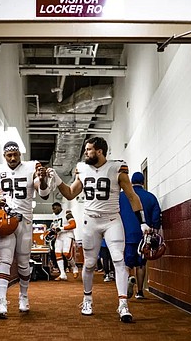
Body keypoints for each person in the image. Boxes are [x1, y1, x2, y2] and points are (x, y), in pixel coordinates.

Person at [49, 136, 147, 323]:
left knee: (119, 260)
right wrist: (57, 180)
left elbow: (132, 196)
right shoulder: (83, 169)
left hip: (112, 220)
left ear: (100, 151)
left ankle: (123, 304)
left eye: (89, 150)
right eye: (86, 150)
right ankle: (87, 299)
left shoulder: (117, 168)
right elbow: (70, 193)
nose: (86, 152)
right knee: (90, 263)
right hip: (90, 221)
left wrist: (142, 222)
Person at [0, 141, 53, 319]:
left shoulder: (32, 167)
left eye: (16, 154)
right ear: (4, 155)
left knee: (23, 263)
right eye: (9, 155)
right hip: (5, 220)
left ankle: (23, 295)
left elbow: (43, 193)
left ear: (20, 154)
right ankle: (1, 301)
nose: (13, 158)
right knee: (4, 260)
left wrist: (43, 178)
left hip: (25, 222)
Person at [119, 171, 162, 299]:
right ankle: (140, 291)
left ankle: (129, 280)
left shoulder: (122, 196)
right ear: (143, 182)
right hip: (144, 234)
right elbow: (156, 217)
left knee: (126, 262)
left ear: (131, 182)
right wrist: (155, 230)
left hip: (126, 233)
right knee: (142, 263)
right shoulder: (151, 197)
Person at [50, 202, 80, 281]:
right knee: (58, 254)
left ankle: (74, 267)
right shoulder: (53, 216)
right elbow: (55, 226)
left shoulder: (67, 213)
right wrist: (53, 232)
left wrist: (62, 228)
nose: (54, 210)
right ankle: (62, 274)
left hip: (67, 235)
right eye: (52, 209)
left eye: (55, 208)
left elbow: (73, 225)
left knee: (66, 253)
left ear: (59, 207)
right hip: (59, 236)